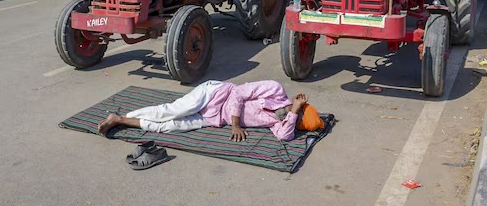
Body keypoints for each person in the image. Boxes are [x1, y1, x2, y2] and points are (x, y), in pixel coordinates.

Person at [97, 80, 324, 142]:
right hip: (215, 93)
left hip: (214, 117)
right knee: (173, 112)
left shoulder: (278, 124)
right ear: (296, 101)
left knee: (170, 127)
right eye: (296, 112)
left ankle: (119, 119)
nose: (288, 117)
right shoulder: (275, 89)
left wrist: (292, 114)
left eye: (295, 119)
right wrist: (236, 124)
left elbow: (285, 135)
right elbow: (238, 93)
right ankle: (121, 116)